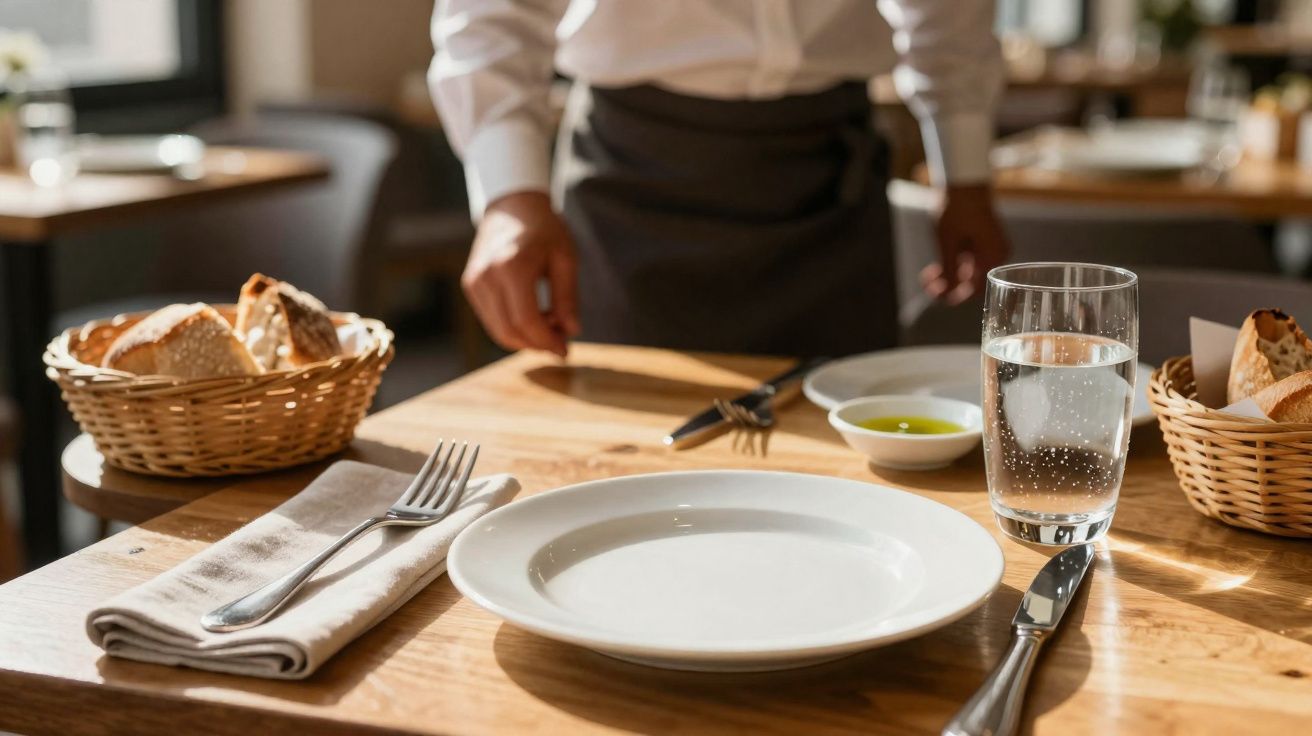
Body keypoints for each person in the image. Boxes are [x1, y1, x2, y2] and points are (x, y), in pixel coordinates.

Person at [430, 1, 1008, 358]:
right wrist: (512, 197)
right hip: (633, 179)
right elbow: (492, 14)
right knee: (629, 465)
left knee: (846, 462)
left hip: (831, 183)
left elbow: (948, 13)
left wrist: (966, 176)